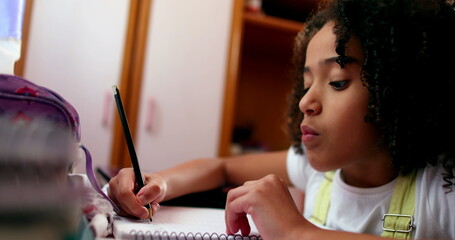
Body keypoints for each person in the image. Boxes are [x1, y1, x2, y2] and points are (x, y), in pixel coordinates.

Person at [108, 0, 455, 239]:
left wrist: (297, 232)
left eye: (337, 82)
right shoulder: (317, 171)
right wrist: (161, 183)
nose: (306, 101)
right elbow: (222, 168)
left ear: (400, 88)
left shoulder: (439, 191)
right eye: (305, 84)